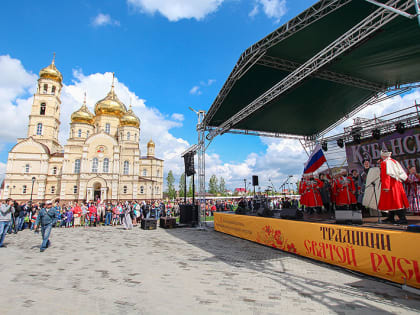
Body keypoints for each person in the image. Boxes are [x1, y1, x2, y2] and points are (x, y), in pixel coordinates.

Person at [378, 150, 409, 224]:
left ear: (383, 155)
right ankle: (391, 217)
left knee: (395, 200)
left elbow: (386, 175)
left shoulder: (385, 163)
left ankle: (402, 218)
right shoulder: (394, 161)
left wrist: (386, 186)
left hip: (391, 184)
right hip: (396, 183)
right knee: (392, 201)